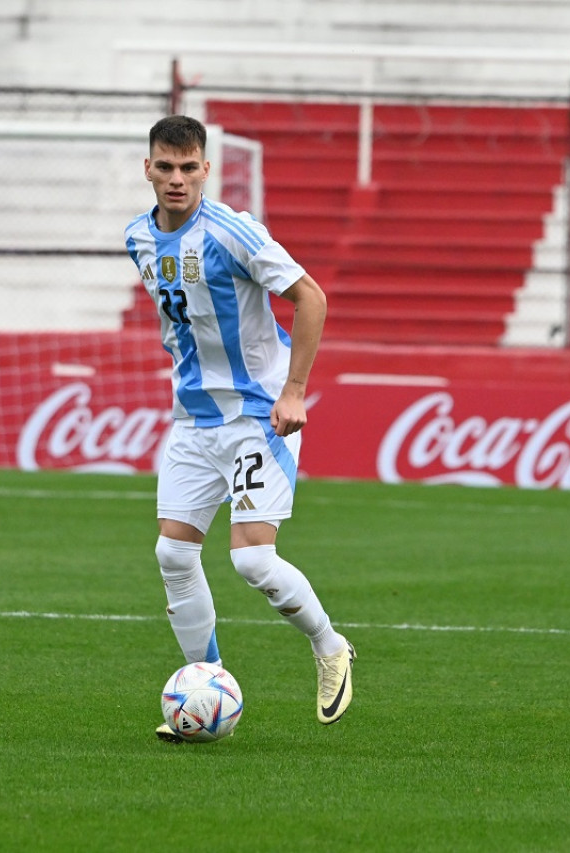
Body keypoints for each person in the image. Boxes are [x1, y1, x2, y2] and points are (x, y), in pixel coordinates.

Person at [124, 115, 354, 741]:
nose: (176, 179)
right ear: (147, 168)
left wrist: (295, 389)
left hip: (258, 415)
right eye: (165, 167)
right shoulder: (137, 239)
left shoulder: (233, 232)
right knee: (173, 551)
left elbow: (311, 297)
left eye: (188, 167)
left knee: (253, 560)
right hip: (194, 420)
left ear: (206, 169)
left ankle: (331, 647)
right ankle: (207, 686)